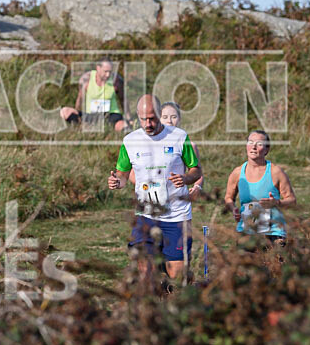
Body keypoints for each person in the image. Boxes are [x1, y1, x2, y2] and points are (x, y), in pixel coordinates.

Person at [108, 95, 202, 282]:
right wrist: (117, 182)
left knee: (177, 275)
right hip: (146, 215)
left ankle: (171, 281)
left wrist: (185, 178)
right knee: (145, 272)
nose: (149, 123)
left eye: (152, 118)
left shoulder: (179, 137)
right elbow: (123, 175)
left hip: (176, 216)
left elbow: (196, 170)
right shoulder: (130, 141)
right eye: (144, 119)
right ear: (137, 117)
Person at [224, 130, 296, 248]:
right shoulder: (237, 173)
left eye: (259, 143)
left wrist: (276, 203)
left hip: (274, 233)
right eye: (250, 142)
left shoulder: (275, 172)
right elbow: (228, 197)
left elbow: (292, 201)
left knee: (274, 266)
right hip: (246, 231)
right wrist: (233, 209)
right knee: (245, 266)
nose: (254, 146)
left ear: (267, 149)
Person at [129, 102, 204, 198]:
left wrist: (197, 187)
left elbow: (198, 172)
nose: (169, 121)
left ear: (179, 119)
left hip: (177, 200)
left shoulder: (188, 144)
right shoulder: (143, 144)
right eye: (165, 117)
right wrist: (149, 186)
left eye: (173, 117)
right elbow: (132, 173)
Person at [60, 58, 129, 132]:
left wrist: (128, 118)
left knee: (124, 126)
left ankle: (119, 129)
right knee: (64, 111)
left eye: (110, 72)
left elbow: (123, 100)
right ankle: (81, 126)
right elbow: (80, 98)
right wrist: (77, 113)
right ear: (98, 68)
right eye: (105, 71)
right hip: (91, 115)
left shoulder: (116, 81)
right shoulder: (86, 79)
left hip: (111, 115)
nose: (108, 74)